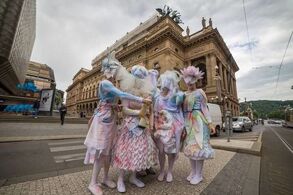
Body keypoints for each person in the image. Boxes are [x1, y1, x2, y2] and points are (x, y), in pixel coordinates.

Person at [83, 52, 151, 195]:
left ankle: (106, 178)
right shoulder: (105, 83)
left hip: (110, 118)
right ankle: (93, 183)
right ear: (109, 70)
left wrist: (117, 107)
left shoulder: (113, 83)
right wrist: (142, 101)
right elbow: (122, 95)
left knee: (107, 152)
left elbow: (115, 102)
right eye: (115, 69)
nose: (118, 73)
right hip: (103, 119)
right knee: (101, 152)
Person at [112, 65, 158, 193]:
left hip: (142, 124)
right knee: (125, 150)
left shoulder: (146, 94)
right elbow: (125, 109)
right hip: (130, 124)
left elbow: (149, 111)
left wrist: (148, 117)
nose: (139, 81)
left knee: (138, 150)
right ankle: (120, 179)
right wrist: (138, 113)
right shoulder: (127, 92)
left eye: (141, 79)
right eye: (137, 78)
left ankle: (133, 177)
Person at [181, 66, 216, 185]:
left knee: (199, 146)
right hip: (188, 122)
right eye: (187, 83)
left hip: (199, 121)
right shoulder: (184, 94)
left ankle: (199, 174)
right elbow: (182, 110)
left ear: (195, 81)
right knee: (191, 148)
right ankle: (193, 172)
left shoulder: (200, 92)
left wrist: (210, 123)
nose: (189, 85)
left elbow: (204, 108)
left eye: (191, 83)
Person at [154, 70, 184, 182]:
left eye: (168, 83)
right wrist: (156, 127)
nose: (165, 86)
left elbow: (180, 109)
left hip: (173, 126)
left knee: (171, 151)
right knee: (161, 151)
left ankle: (170, 171)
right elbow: (156, 113)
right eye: (164, 83)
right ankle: (162, 171)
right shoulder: (158, 97)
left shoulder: (176, 95)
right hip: (161, 126)